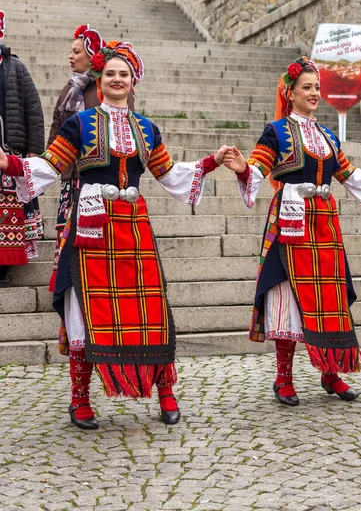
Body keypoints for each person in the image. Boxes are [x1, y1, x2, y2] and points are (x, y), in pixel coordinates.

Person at [0, 40, 231, 429]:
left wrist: (210, 162)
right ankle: (80, 399)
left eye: (124, 74)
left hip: (134, 224)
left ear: (133, 81)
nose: (117, 79)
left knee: (150, 307)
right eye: (110, 74)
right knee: (85, 307)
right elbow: (51, 164)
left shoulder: (146, 128)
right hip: (91, 223)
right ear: (99, 80)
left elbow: (169, 174)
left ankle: (166, 391)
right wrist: (9, 163)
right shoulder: (80, 123)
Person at [223, 56, 361, 406]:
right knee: (289, 295)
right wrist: (244, 169)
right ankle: (284, 379)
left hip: (324, 224)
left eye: (317, 87)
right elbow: (258, 169)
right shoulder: (275, 132)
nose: (315, 93)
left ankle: (330, 372)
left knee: (329, 299)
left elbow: (351, 178)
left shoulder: (327, 136)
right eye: (307, 87)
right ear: (289, 93)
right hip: (290, 222)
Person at [47, 24, 106, 290]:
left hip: (96, 178)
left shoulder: (106, 90)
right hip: (70, 177)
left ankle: (94, 283)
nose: (71, 56)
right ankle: (67, 285)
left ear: (91, 55)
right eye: (70, 51)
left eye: (76, 52)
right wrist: (47, 164)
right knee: (67, 231)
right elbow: (56, 131)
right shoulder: (68, 90)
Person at [0, 9, 44, 287]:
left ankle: (4, 265)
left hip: (9, 152)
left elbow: (34, 109)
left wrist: (33, 150)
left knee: (6, 213)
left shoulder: (15, 67)